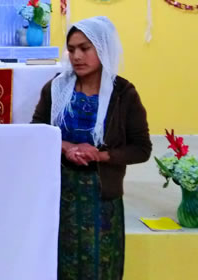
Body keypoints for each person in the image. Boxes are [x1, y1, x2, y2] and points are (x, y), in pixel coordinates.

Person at [31, 16, 151, 280]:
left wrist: (102, 155)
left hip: (102, 198)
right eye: (72, 49)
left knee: (101, 265)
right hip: (61, 195)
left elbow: (141, 148)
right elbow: (37, 132)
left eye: (85, 48)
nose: (77, 56)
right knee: (61, 264)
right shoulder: (56, 88)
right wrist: (66, 147)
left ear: (103, 47)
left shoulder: (123, 94)